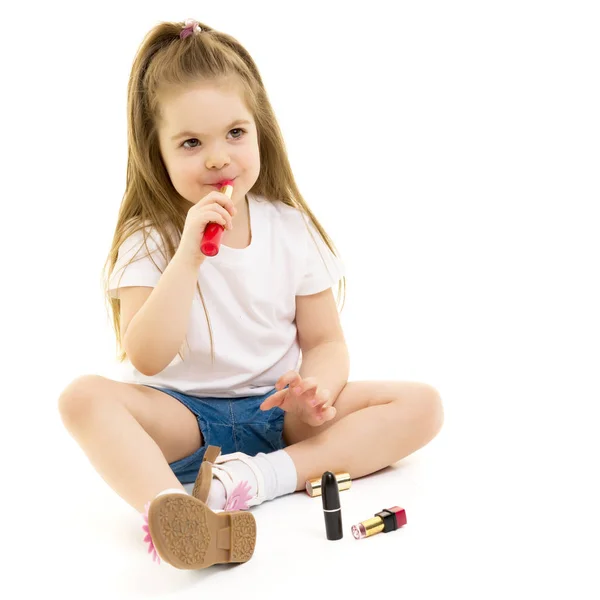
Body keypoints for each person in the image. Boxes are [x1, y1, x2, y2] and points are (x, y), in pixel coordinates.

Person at [58, 18, 444, 570]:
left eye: (235, 134)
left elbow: (326, 340)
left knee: (422, 405)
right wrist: (187, 255)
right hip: (183, 419)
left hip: (279, 414)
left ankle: (258, 478)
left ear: (259, 132)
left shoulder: (289, 228)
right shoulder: (149, 238)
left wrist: (318, 389)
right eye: (191, 143)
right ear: (157, 152)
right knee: (82, 398)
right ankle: (174, 510)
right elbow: (145, 354)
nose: (218, 158)